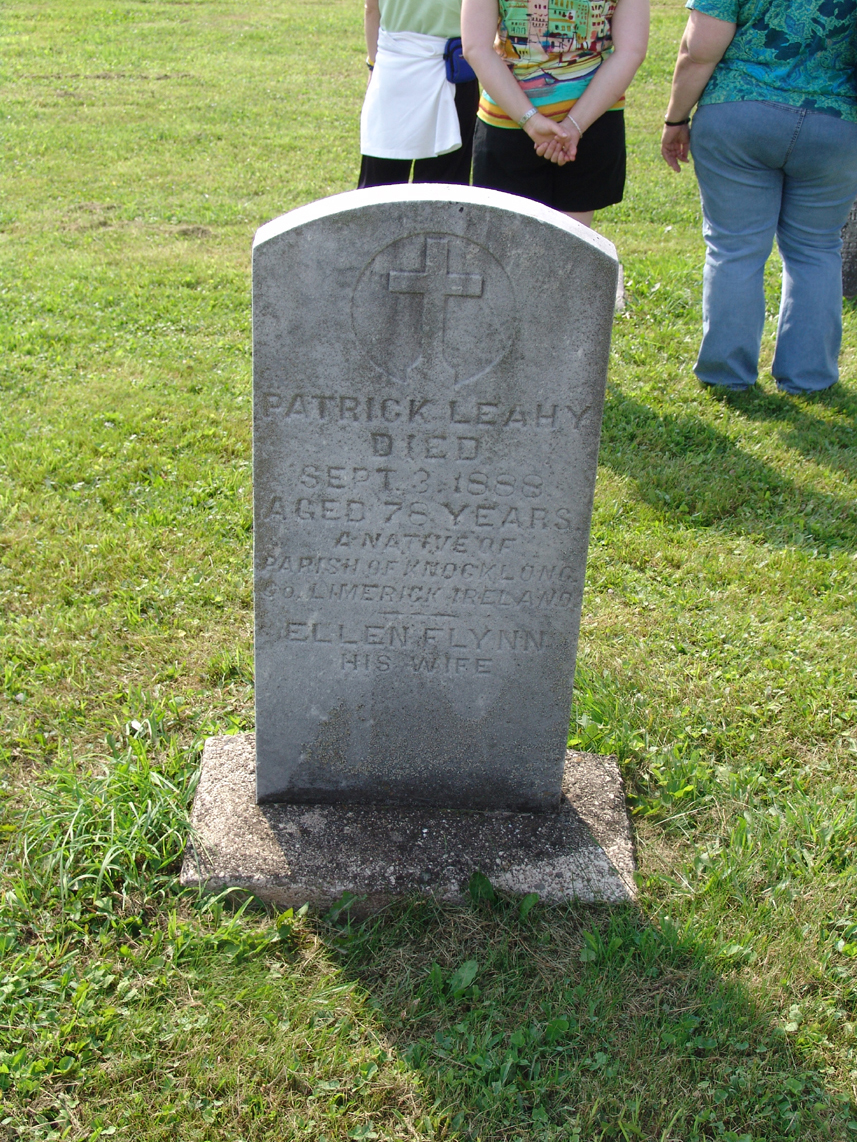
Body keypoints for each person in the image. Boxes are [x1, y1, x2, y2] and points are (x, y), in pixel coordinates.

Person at [661, 1, 857, 395]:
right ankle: (809, 378)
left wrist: (676, 118)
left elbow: (699, 50)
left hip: (738, 113)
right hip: (836, 123)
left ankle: (726, 376)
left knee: (735, 248)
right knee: (817, 249)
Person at [461, 0, 649, 227]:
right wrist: (573, 126)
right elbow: (631, 51)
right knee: (571, 244)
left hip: (510, 119)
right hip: (591, 120)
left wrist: (531, 121)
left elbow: (476, 48)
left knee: (509, 245)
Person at [358, 0, 479, 187]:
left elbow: (371, 10)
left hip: (392, 74)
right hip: (452, 76)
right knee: (443, 189)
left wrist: (373, 65)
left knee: (379, 188)